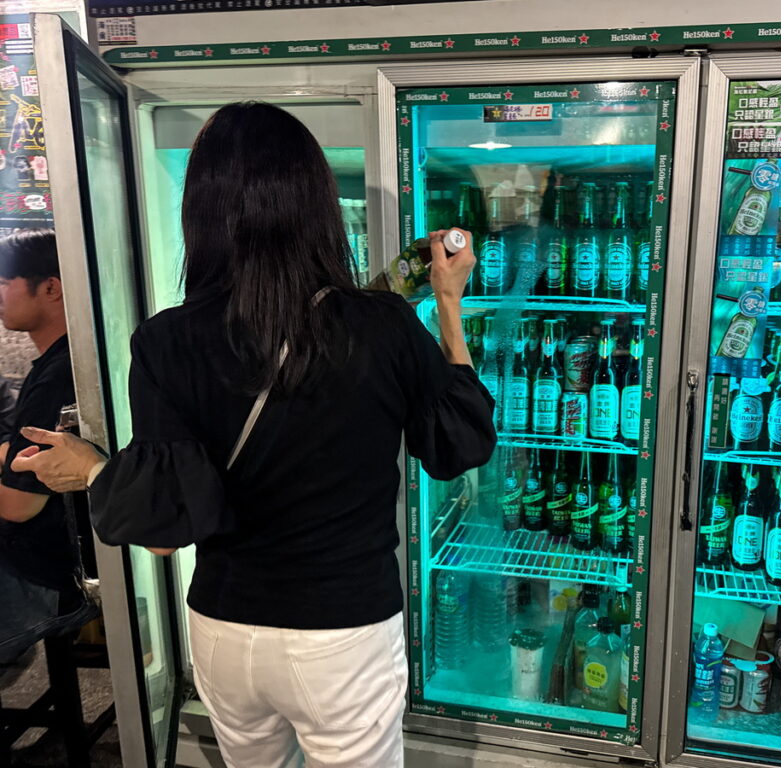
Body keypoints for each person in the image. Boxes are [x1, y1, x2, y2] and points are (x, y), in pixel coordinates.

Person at [12, 102, 496, 768]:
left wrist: (97, 470)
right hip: (342, 629)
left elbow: (162, 535)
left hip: (224, 629)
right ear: (317, 205)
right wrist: (447, 302)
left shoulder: (163, 340)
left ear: (200, 211)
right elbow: (461, 445)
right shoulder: (381, 323)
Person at [0, 229, 92, 665]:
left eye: (4, 283)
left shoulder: (55, 379)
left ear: (51, 288)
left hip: (51, 578)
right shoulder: (75, 359)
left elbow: (17, 506)